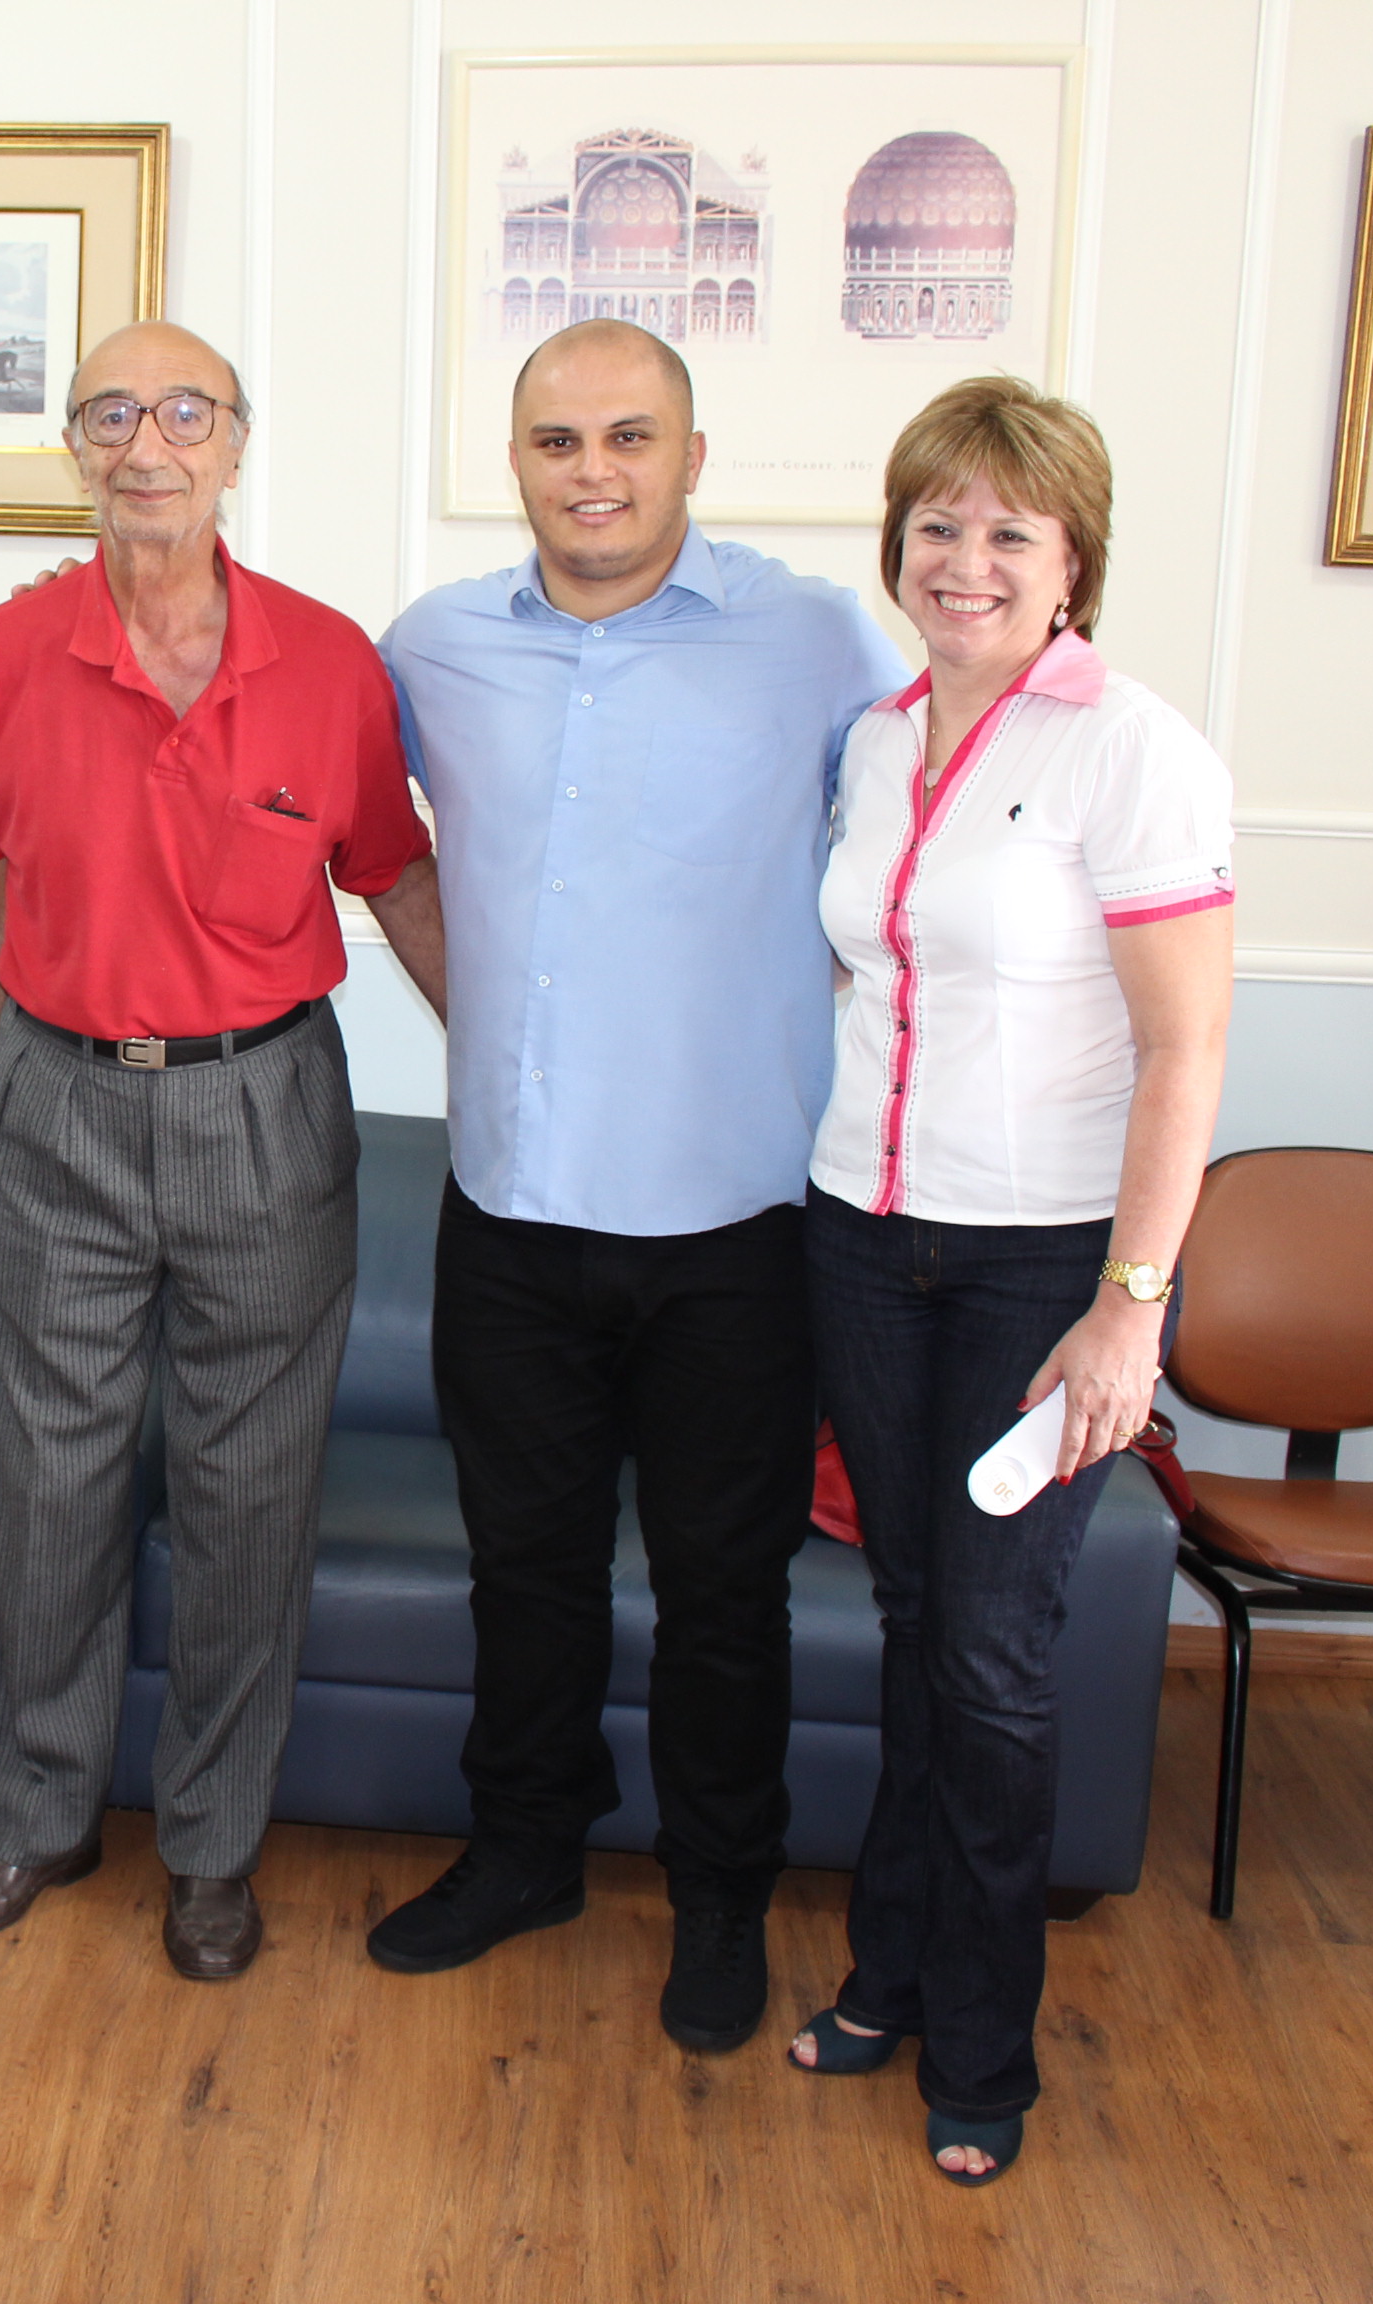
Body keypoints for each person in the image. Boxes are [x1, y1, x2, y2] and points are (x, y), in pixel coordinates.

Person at [371, 320, 906, 2048]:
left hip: (736, 1225)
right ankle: (526, 1849)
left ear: (692, 455)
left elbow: (915, 855)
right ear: (513, 463)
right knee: (523, 1573)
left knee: (721, 1598)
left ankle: (720, 1897)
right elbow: (356, 837)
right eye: (556, 441)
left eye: (628, 436)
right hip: (513, 1212)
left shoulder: (816, 640)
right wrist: (489, 1012)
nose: (591, 471)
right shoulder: (432, 647)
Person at [0, 321, 444, 1981]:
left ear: (234, 443)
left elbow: (396, 879)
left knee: (248, 1492)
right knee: (49, 1486)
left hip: (262, 1106)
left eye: (184, 413)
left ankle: (213, 1851)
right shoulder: (0, 658)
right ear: (76, 446)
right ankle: (33, 1818)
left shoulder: (332, 662)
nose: (149, 444)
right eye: (112, 413)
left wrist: (508, 1072)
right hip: (61, 1098)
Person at [783, 378, 1231, 2186]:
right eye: (937, 525)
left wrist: (1133, 1306)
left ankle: (981, 2050)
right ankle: (887, 1975)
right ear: (897, 545)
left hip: (1043, 1269)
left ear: (1073, 565)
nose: (965, 561)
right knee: (915, 1623)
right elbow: (874, 979)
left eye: (1009, 533)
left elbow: (1186, 1053)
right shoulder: (878, 740)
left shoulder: (1134, 747)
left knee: (990, 1657)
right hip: (863, 1240)